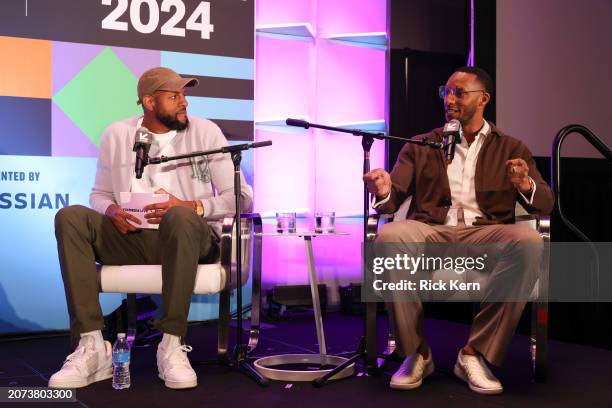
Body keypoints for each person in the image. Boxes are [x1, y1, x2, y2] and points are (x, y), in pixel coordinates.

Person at [49, 67, 253, 390]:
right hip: (132, 237)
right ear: (149, 102)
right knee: (70, 217)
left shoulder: (206, 133)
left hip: (190, 235)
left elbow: (241, 197)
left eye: (184, 95)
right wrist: (112, 210)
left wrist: (192, 207)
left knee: (178, 218)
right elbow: (99, 194)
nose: (183, 102)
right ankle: (91, 346)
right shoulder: (116, 135)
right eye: (174, 97)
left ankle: (172, 344)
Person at [363, 66, 554, 394]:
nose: (449, 99)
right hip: (431, 228)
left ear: (483, 99)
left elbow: (546, 203)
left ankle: (474, 355)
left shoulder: (511, 147)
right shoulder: (421, 144)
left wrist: (525, 184)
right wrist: (382, 190)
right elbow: (393, 200)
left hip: (485, 232)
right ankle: (417, 353)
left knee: (529, 241)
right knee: (391, 236)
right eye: (446, 91)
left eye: (459, 93)